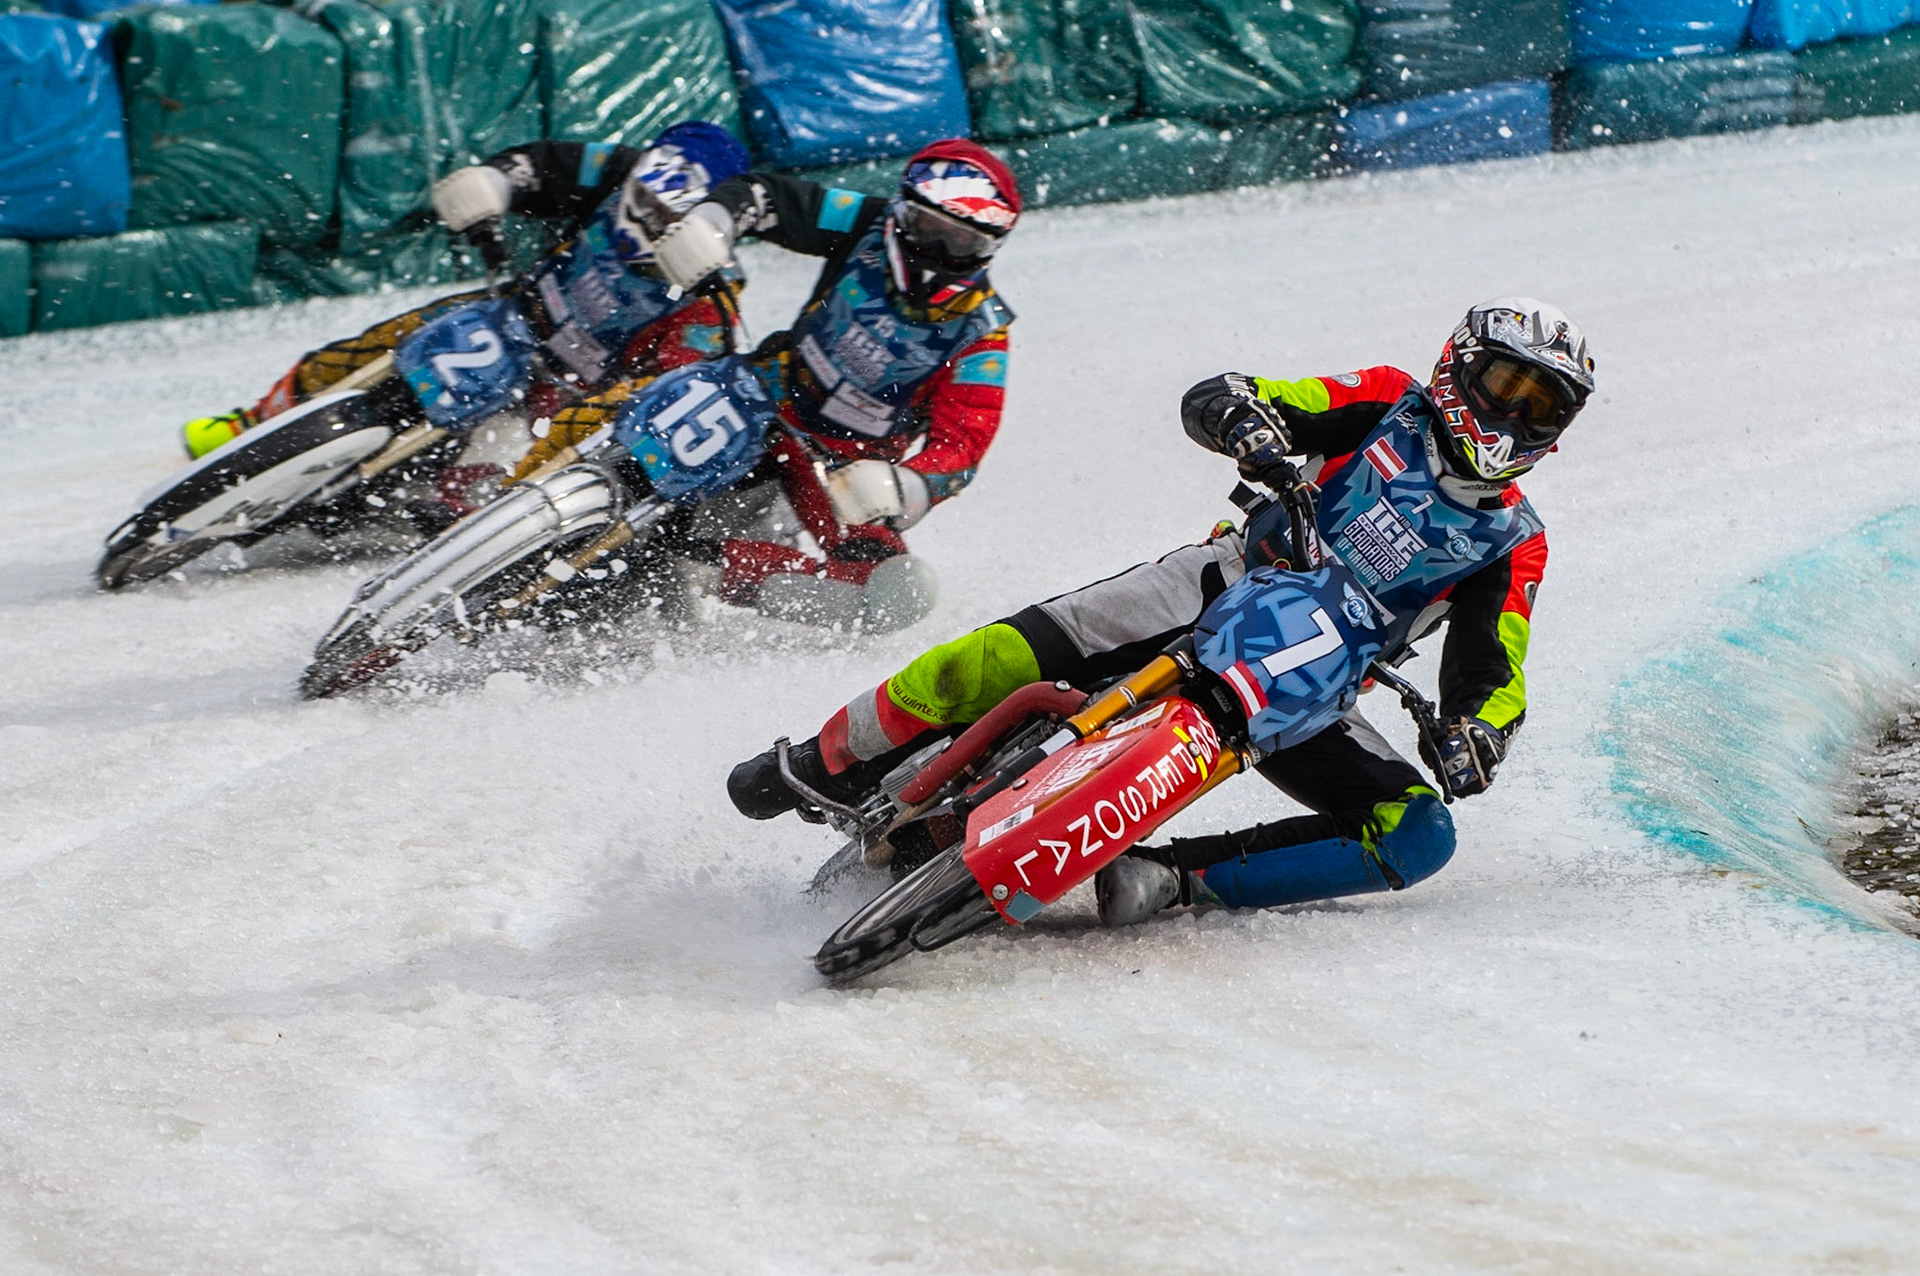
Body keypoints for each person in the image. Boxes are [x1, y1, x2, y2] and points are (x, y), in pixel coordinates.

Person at [727, 298, 1594, 925]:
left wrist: (1478, 731)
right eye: (1504, 384)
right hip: (1221, 578)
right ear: (1459, 366)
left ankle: (1173, 881)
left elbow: (1495, 666)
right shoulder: (1384, 400)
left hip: (1313, 686)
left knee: (1418, 837)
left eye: (1539, 405)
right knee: (1001, 656)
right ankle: (825, 759)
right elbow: (1244, 393)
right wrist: (1244, 420)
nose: (1511, 413)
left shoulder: (1515, 540)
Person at [506, 138, 1020, 631]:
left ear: (990, 248)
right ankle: (510, 500)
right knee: (619, 411)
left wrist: (908, 485)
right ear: (902, 212)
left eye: (962, 242)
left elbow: (962, 448)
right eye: (926, 228)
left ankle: (696, 569)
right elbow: (767, 195)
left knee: (889, 594)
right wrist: (714, 221)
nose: (937, 251)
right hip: (761, 390)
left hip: (843, 465)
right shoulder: (867, 222)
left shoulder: (981, 335)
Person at [175, 122, 752, 527]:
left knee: (528, 459)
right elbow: (543, 165)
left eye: (661, 214)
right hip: (512, 315)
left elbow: (676, 385)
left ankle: (480, 524)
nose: (641, 216)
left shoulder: (711, 300)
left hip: (573, 390)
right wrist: (495, 181)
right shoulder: (616, 170)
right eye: (640, 198)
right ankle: (254, 421)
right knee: (387, 338)